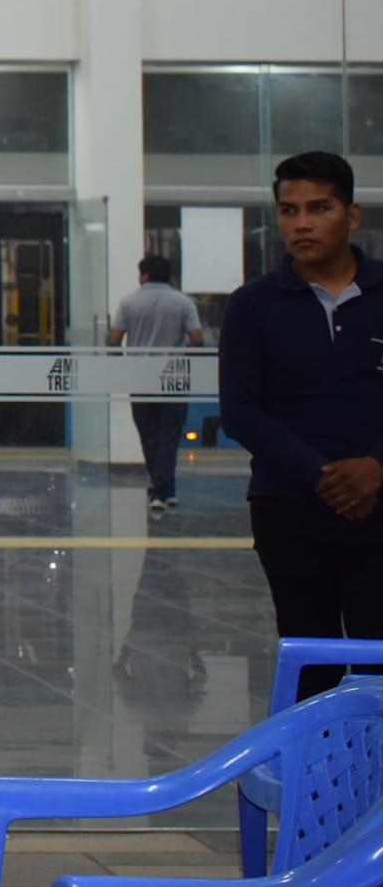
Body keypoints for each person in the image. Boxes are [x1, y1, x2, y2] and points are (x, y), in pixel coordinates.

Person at [218, 150, 383, 701]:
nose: (302, 223)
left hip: (381, 498)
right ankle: (315, 783)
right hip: (288, 508)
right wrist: (324, 476)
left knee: (378, 652)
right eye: (289, 211)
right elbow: (241, 411)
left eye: (319, 207)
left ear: (352, 215)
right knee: (310, 657)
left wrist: (375, 468)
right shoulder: (253, 306)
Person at [109, 255, 205, 514]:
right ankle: (165, 489)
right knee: (169, 435)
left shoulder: (129, 302)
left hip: (140, 375)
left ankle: (159, 489)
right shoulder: (183, 302)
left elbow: (114, 339)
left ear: (145, 275)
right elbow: (197, 339)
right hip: (174, 376)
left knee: (148, 434)